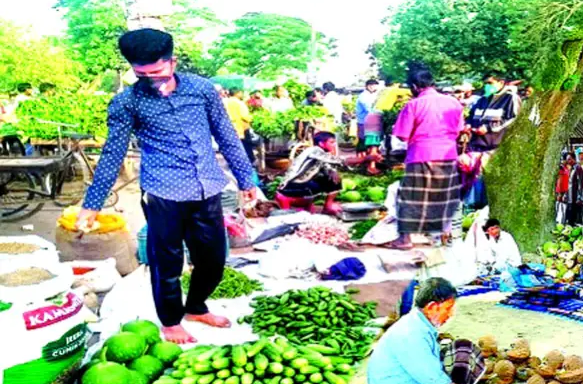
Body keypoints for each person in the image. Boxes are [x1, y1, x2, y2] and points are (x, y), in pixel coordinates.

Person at [77, 28, 258, 343]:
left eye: (157, 72)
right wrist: (92, 204)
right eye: (141, 73)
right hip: (163, 192)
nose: (151, 80)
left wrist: (246, 179)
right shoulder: (127, 103)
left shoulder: (201, 90)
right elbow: (112, 154)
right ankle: (171, 320)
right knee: (167, 262)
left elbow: (227, 136)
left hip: (207, 187)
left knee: (213, 259)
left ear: (172, 62)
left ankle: (197, 306)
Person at [367, 278, 507, 384]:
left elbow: (435, 376)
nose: (450, 314)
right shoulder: (411, 335)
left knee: (463, 351)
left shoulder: (421, 325)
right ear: (432, 307)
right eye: (448, 308)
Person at [389, 66, 463, 250]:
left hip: (421, 154)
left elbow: (402, 135)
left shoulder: (413, 105)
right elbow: (460, 129)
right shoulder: (453, 102)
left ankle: (405, 239)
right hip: (448, 154)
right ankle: (446, 236)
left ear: (414, 86)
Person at [276, 132, 376, 214]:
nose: (334, 145)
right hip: (291, 185)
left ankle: (327, 206)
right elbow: (341, 161)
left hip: (301, 182)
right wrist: (366, 158)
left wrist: (332, 172)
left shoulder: (321, 154)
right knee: (314, 187)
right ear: (321, 144)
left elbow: (327, 166)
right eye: (331, 142)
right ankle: (291, 200)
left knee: (333, 178)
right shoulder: (314, 151)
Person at [466, 74, 522, 152]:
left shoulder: (510, 98)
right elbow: (471, 115)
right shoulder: (483, 99)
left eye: (490, 83)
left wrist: (488, 128)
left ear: (501, 83)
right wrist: (468, 124)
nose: (487, 86)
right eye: (485, 83)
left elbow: (513, 119)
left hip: (496, 147)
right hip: (476, 144)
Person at [223, 87, 255, 164]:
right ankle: (249, 162)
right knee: (246, 146)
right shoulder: (239, 103)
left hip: (229, 127)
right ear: (237, 93)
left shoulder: (224, 102)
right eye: (241, 93)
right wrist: (253, 119)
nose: (242, 94)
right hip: (241, 128)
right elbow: (245, 116)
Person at [356, 80, 381, 172]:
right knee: (365, 142)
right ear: (367, 86)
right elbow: (369, 109)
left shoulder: (374, 95)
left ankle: (367, 164)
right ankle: (363, 163)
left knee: (371, 143)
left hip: (372, 121)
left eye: (375, 86)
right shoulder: (363, 96)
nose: (373, 87)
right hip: (364, 122)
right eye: (371, 85)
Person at [566, 152, 583, 226]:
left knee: (575, 213)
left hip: (575, 194)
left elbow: (580, 183)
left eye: (569, 159)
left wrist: (579, 196)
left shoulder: (578, 168)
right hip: (570, 194)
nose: (568, 161)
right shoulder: (571, 169)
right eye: (567, 159)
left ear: (574, 159)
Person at [555, 154, 570, 225]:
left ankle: (563, 221)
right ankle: (557, 220)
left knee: (564, 207)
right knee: (558, 206)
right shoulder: (560, 168)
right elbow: (559, 179)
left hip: (565, 190)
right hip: (560, 190)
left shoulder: (566, 168)